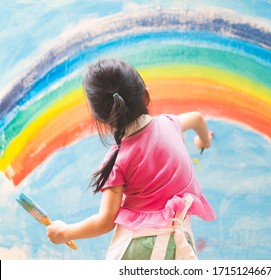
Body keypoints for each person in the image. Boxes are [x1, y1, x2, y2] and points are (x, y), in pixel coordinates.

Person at [46, 58, 216, 259]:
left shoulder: (118, 159)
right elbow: (197, 118)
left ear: (102, 118)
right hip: (179, 248)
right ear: (146, 95)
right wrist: (204, 141)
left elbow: (105, 222)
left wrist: (64, 232)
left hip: (138, 250)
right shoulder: (169, 123)